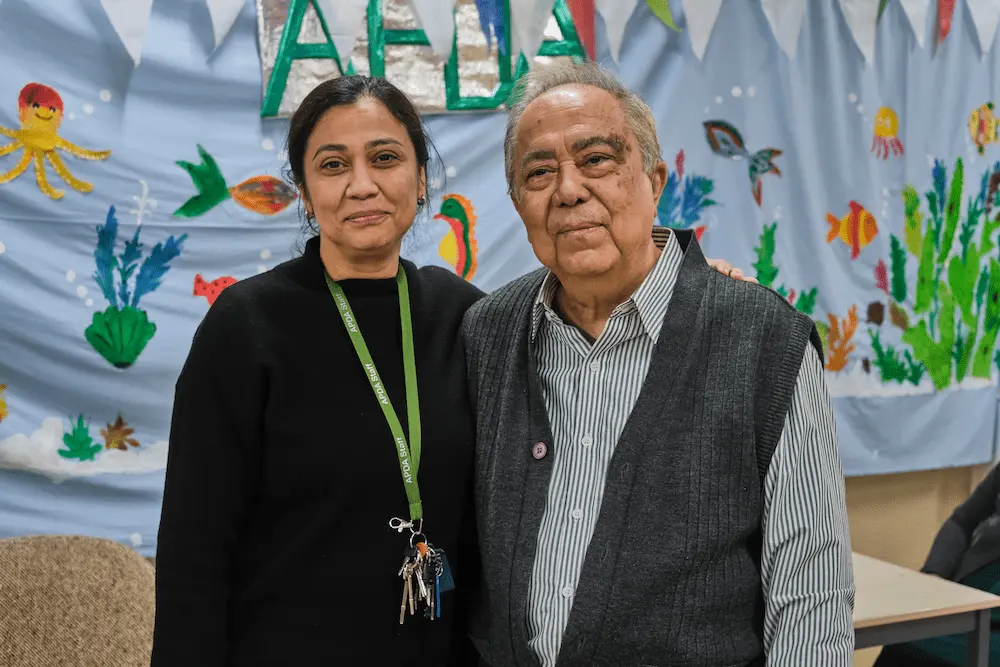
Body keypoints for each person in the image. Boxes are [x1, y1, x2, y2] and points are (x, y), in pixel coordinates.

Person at [151, 74, 750, 666]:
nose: (362, 185)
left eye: (385, 158)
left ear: (420, 180)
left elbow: (584, 314)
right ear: (305, 192)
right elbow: (193, 550)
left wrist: (697, 292)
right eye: (333, 165)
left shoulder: (467, 316)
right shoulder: (247, 326)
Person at [461, 60, 856, 667]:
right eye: (540, 172)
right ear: (519, 204)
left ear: (655, 179)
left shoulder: (763, 341)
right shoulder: (488, 333)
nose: (568, 190)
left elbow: (811, 594)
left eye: (597, 159)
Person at [874, 464, 1000, 666]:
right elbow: (961, 522)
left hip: (991, 630)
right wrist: (934, 574)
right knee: (903, 642)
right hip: (967, 602)